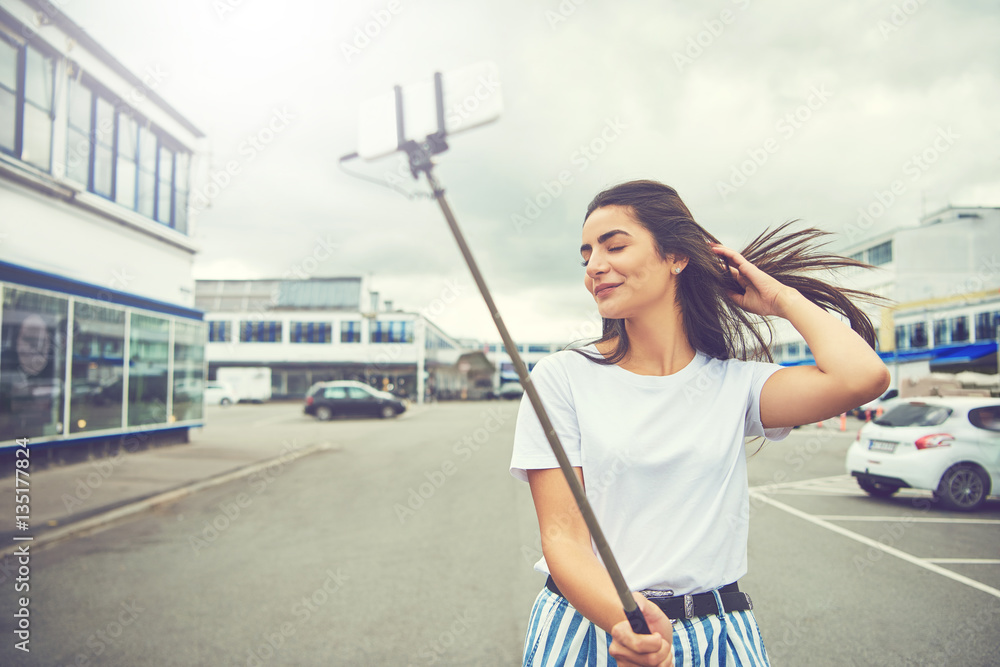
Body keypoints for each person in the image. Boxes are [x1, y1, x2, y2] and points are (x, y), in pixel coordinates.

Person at [509, 180, 890, 666]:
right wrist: (628, 621)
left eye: (615, 246)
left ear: (676, 257)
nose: (594, 267)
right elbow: (563, 538)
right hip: (596, 629)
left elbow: (864, 377)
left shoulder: (736, 384)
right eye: (586, 255)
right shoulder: (562, 377)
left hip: (719, 636)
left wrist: (779, 298)